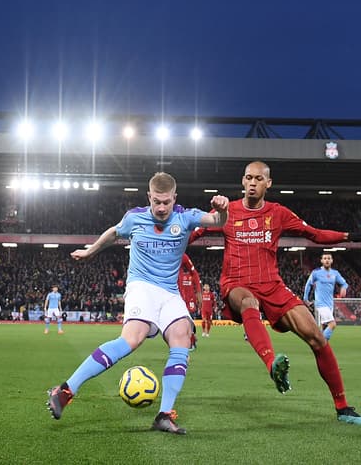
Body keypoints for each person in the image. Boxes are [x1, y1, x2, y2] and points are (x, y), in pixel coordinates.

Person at [47, 173, 229, 435]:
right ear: (149, 198)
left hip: (169, 292)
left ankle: (164, 414)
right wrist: (90, 251)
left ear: (174, 198)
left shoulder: (185, 217)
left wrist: (222, 210)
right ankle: (65, 390)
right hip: (141, 286)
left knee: (182, 336)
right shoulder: (135, 217)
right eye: (157, 202)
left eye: (166, 202)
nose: (162, 208)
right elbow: (113, 232)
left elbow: (216, 221)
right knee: (133, 338)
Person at [194, 161, 361, 426]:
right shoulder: (226, 211)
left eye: (258, 179)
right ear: (242, 182)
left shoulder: (277, 213)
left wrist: (350, 235)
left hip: (273, 284)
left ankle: (343, 407)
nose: (252, 183)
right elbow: (192, 232)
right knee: (249, 302)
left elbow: (314, 234)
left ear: (268, 183)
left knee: (316, 337)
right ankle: (272, 366)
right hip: (237, 282)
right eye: (248, 178)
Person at [303, 252, 348, 341]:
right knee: (332, 324)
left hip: (330, 304)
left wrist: (344, 288)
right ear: (321, 261)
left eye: (328, 258)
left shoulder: (335, 273)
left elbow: (344, 283)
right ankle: (320, 344)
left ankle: (323, 348)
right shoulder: (316, 273)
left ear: (332, 261)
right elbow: (308, 284)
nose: (327, 260)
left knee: (324, 327)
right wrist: (305, 298)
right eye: (325, 258)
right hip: (320, 304)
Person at [178, 254, 199, 347]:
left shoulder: (182, 256)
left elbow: (194, 273)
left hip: (185, 298)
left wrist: (198, 292)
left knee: (187, 319)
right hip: (172, 295)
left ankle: (191, 339)